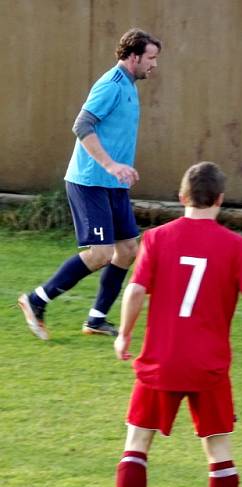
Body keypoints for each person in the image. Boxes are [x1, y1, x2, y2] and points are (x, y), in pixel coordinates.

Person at [98, 162, 242, 487]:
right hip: (209, 367)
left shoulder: (157, 238)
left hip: (159, 363)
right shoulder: (237, 246)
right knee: (218, 450)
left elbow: (135, 291)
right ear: (220, 200)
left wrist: (126, 334)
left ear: (182, 197)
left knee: (137, 444)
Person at [18, 28, 161, 340]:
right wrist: (111, 164)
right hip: (90, 181)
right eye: (150, 58)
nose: (154, 65)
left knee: (127, 250)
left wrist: (119, 171)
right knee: (100, 253)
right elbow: (82, 124)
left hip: (113, 184)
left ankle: (96, 318)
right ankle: (36, 300)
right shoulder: (111, 84)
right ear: (134, 56)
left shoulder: (130, 85)